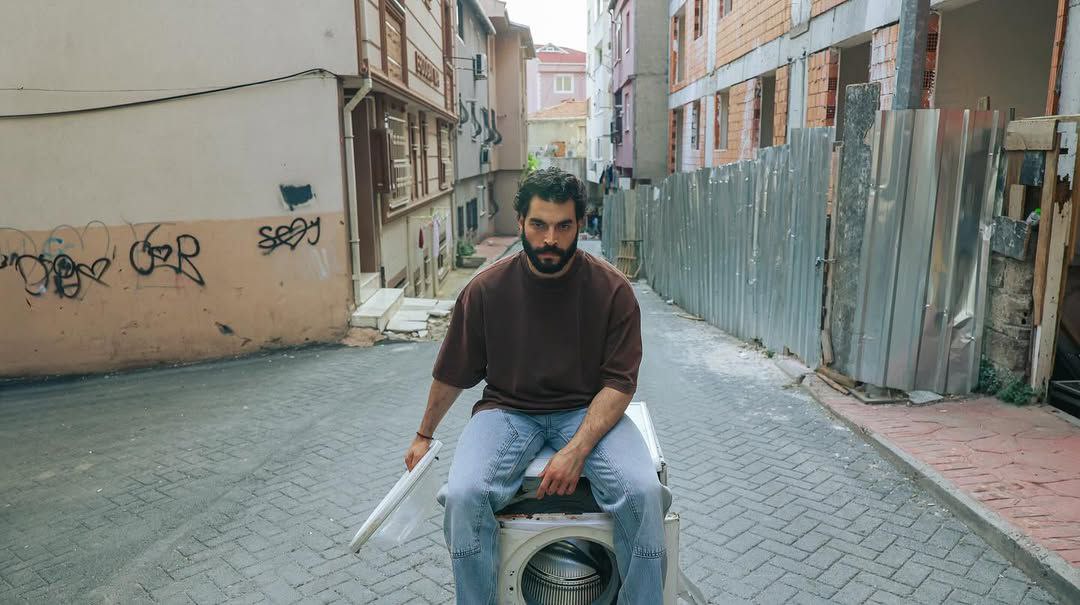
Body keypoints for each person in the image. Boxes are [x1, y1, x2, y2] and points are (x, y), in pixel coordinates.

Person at [403, 167, 665, 604]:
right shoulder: (486, 289)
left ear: (580, 225)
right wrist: (423, 434)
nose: (550, 239)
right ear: (521, 221)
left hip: (588, 409)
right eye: (539, 224)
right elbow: (452, 371)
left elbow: (620, 384)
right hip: (506, 410)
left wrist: (575, 452)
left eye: (563, 226)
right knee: (464, 497)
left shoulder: (612, 290)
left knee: (643, 494)